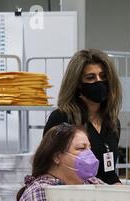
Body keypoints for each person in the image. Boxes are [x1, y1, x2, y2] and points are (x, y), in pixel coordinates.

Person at [44, 49, 122, 185]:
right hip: (73, 197)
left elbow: (108, 172)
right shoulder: (62, 118)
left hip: (104, 198)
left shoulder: (112, 122)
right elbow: (47, 167)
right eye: (91, 78)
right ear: (78, 84)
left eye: (103, 76)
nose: (99, 82)